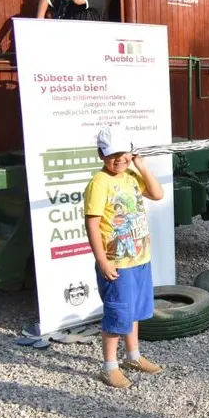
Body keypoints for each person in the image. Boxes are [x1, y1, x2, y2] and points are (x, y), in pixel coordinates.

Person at [83, 127, 165, 388]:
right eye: (112, 155)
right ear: (100, 155)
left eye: (124, 153)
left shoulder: (130, 175)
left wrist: (140, 163)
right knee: (117, 313)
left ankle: (133, 356)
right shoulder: (99, 183)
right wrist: (102, 260)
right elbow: (92, 224)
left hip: (139, 257)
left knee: (134, 312)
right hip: (117, 262)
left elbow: (157, 193)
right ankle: (109, 366)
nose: (119, 159)